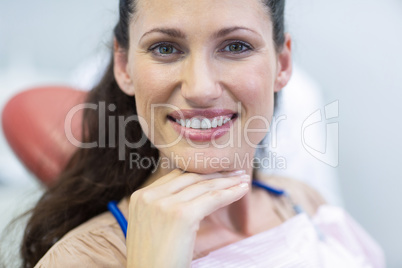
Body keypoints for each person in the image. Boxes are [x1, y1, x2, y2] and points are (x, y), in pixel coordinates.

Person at [21, 0, 385, 267]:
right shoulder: (83, 258)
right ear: (124, 65)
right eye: (165, 48)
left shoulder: (302, 202)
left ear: (283, 64)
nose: (200, 88)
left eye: (235, 46)